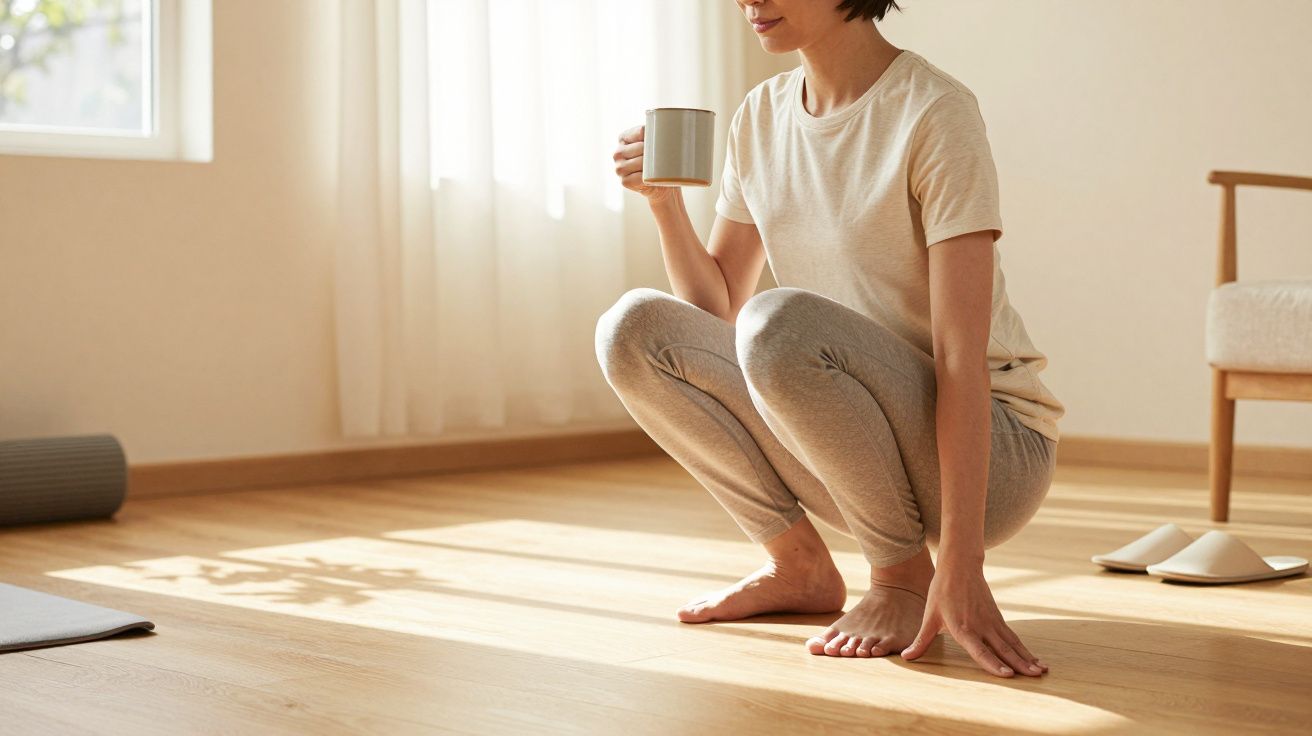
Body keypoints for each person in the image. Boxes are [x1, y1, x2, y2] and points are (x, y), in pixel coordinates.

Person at [596, 0, 1064, 679]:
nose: (750, 0)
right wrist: (665, 205)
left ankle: (901, 575)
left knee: (777, 323)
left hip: (993, 457)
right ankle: (799, 564)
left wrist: (962, 562)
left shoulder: (932, 110)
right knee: (633, 330)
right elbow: (714, 312)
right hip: (849, 444)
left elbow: (963, 356)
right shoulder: (761, 115)